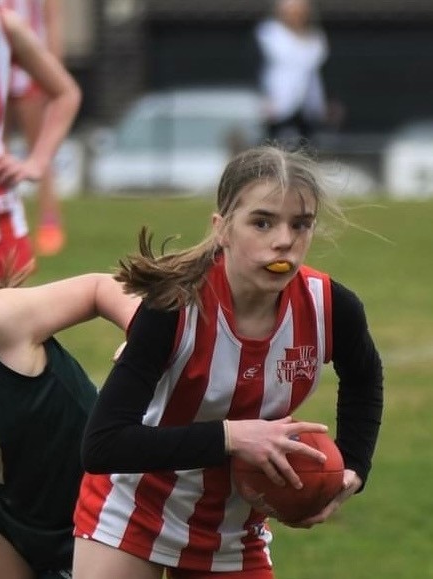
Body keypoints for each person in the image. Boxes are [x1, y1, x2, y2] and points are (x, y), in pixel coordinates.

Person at [72, 144, 384, 579]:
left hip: (235, 530)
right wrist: (231, 438)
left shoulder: (331, 307)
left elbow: (365, 377)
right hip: (133, 512)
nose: (284, 240)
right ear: (222, 228)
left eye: (301, 224)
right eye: (262, 222)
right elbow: (102, 445)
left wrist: (353, 465)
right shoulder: (173, 309)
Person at [0, 272, 140, 578]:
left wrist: (144, 340)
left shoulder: (4, 320)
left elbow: (99, 288)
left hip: (106, 509)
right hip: (16, 525)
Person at [0, 5, 81, 281]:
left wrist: (35, 162)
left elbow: (66, 92)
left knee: (11, 318)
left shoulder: (8, 26)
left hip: (3, 213)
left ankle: (49, 218)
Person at [255, 0, 334, 147]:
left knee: (307, 149)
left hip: (308, 107)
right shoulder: (268, 35)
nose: (296, 15)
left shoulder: (317, 39)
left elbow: (318, 74)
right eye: (292, 10)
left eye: (301, 10)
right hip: (278, 106)